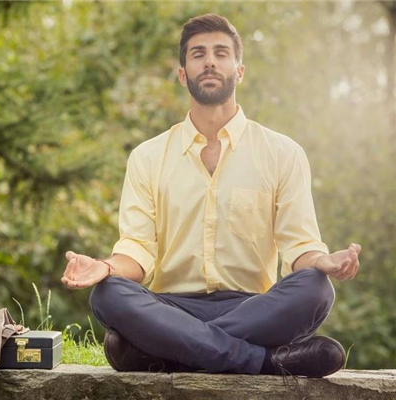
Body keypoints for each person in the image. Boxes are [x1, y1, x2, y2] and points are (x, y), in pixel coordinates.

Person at [60, 13, 362, 378]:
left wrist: (323, 261)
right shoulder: (148, 156)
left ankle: (166, 351)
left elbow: (300, 247)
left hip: (255, 307)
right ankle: (264, 361)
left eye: (221, 52)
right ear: (183, 73)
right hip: (171, 307)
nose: (210, 61)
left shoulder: (283, 153)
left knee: (316, 288)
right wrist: (106, 267)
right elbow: (136, 252)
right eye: (197, 53)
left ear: (239, 70)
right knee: (107, 295)